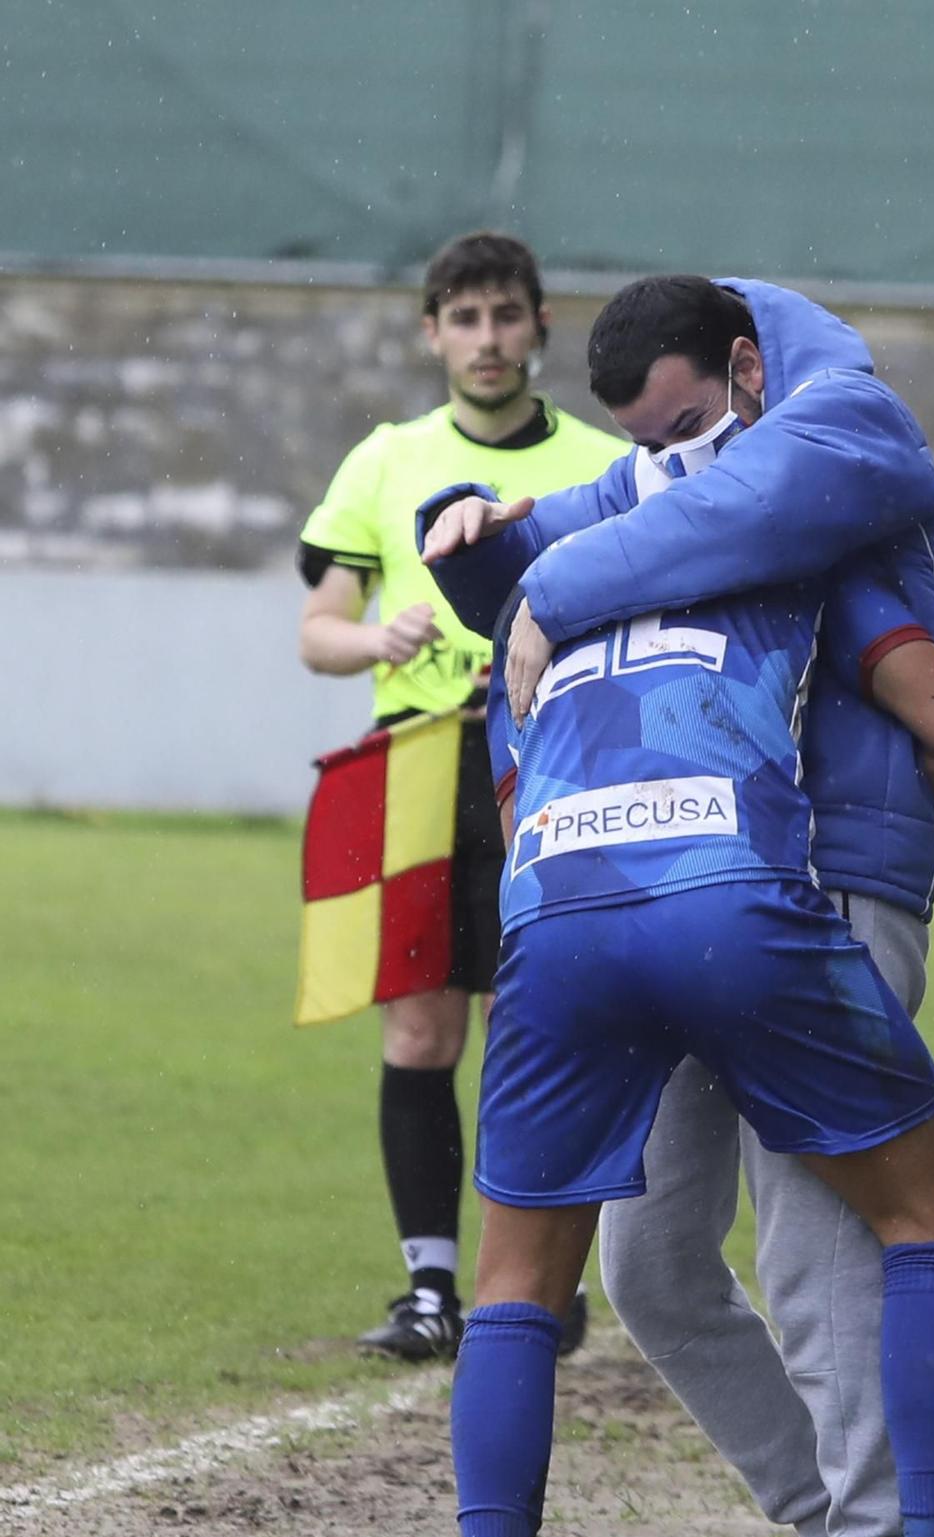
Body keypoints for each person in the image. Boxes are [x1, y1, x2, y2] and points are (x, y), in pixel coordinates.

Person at [420, 276, 934, 1537]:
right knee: (658, 1265)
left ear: (745, 372)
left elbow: (528, 704)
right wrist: (492, 542)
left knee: (806, 1258)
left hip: (776, 879)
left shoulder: (823, 447)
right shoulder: (669, 506)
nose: (669, 463)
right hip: (730, 885)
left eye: (685, 430)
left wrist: (532, 581)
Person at [297, 231, 620, 1362]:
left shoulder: (595, 461)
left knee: (531, 1028)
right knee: (421, 1029)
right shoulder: (384, 459)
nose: (486, 339)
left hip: (546, 766)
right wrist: (371, 633)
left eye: (505, 316)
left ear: (540, 327)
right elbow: (315, 630)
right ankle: (429, 1290)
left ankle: (534, 1285)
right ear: (431, 331)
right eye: (464, 318)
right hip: (413, 772)